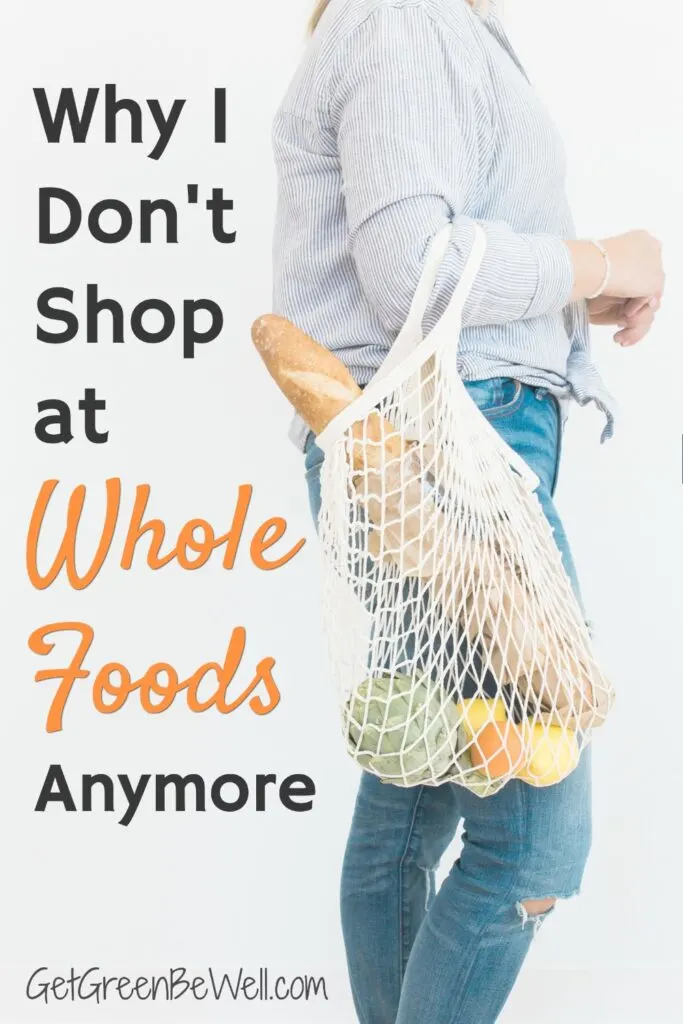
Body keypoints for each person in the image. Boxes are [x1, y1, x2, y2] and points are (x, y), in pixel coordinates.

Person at [271, 1, 664, 1021]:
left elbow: (433, 260)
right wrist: (603, 259)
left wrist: (563, 300)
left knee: (418, 785)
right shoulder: (406, 18)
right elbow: (411, 265)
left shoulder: (428, 22)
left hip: (440, 435)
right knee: (532, 834)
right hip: (443, 445)